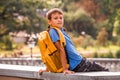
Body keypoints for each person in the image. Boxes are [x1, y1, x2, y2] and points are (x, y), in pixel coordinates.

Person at [39, 8, 109, 74]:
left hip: (79, 62)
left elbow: (53, 52)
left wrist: (47, 69)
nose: (59, 20)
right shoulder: (53, 31)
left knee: (103, 71)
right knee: (105, 71)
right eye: (55, 18)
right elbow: (60, 50)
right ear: (49, 21)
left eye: (61, 18)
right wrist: (65, 69)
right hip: (78, 64)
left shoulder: (60, 30)